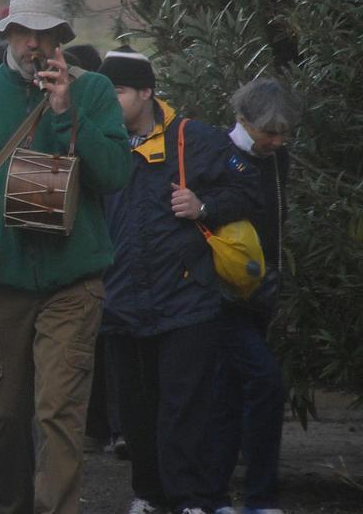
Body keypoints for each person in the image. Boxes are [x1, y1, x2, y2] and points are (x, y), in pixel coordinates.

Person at [0, 0, 132, 514]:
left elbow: (114, 176)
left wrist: (64, 112)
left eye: (46, 33)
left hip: (72, 279)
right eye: (24, 32)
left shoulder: (96, 93)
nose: (34, 44)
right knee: (7, 413)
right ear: (8, 33)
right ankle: (13, 505)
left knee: (59, 411)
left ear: (61, 38)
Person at [98, 48, 261, 514]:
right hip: (120, 297)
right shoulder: (99, 141)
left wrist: (204, 206)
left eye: (120, 92)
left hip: (186, 298)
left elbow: (248, 188)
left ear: (147, 92)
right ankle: (148, 494)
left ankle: (190, 498)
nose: (111, 101)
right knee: (135, 411)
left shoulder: (195, 139)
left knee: (183, 406)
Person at [210, 78, 300, 514]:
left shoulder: (277, 158)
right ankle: (259, 496)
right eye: (270, 132)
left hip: (261, 292)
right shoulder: (218, 156)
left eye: (283, 133)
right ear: (245, 120)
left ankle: (215, 494)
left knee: (230, 391)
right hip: (221, 296)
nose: (277, 141)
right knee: (265, 383)